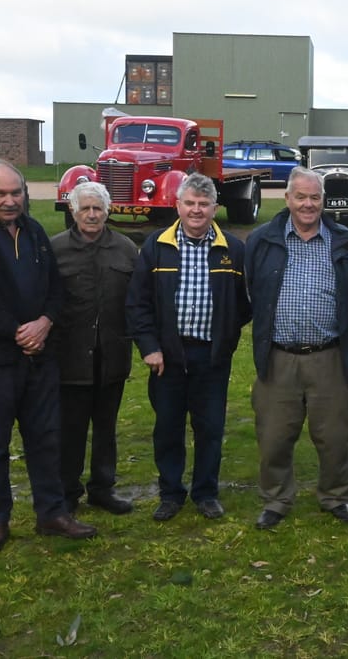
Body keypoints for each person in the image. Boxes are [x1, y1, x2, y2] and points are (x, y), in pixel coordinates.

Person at [0, 159, 98, 552]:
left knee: (46, 439)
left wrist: (45, 321)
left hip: (39, 359)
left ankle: (52, 514)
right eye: (1, 194)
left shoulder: (34, 231)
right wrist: (16, 331)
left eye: (17, 193)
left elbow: (54, 289)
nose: (11, 201)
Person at [245, 165, 348, 529]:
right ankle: (276, 499)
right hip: (278, 357)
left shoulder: (346, 241)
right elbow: (251, 289)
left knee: (334, 436)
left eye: (315, 197)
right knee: (274, 435)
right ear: (287, 199)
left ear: (323, 201)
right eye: (301, 197)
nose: (308, 204)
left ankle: (335, 496)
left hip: (329, 355)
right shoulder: (262, 240)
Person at [126, 173, 251, 522]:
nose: (197, 210)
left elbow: (244, 305)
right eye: (190, 203)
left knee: (210, 427)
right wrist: (150, 347)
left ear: (214, 208)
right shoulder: (156, 245)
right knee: (168, 426)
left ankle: (206, 492)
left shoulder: (234, 250)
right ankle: (170, 493)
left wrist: (225, 334)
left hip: (212, 356)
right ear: (178, 205)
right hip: (167, 357)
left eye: (204, 204)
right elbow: (138, 303)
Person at [50, 182, 139, 515]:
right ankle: (67, 493)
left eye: (97, 208)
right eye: (84, 208)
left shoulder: (126, 249)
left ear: (108, 211)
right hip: (69, 358)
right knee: (70, 430)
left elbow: (138, 301)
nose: (91, 214)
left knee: (106, 428)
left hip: (112, 357)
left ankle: (102, 489)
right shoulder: (55, 250)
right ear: (73, 211)